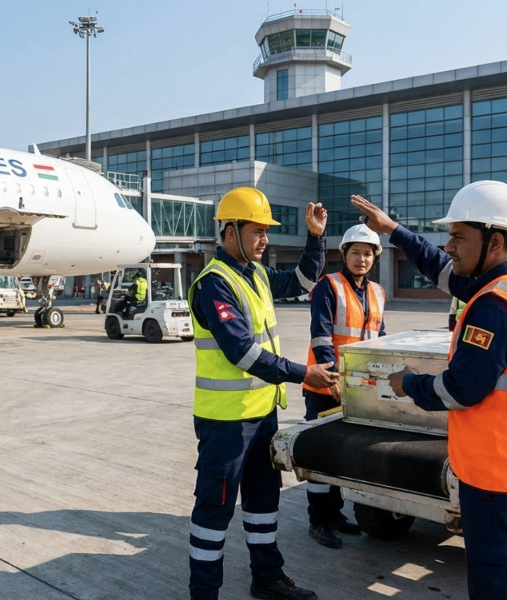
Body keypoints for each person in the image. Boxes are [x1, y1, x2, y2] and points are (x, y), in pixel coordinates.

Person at [352, 181, 507, 600]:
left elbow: (460, 389)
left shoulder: (494, 307)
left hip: (501, 481)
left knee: (503, 589)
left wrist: (408, 382)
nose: (448, 246)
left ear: (496, 240)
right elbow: (440, 267)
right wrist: (393, 229)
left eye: (458, 237)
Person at [187, 186, 339, 600]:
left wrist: (315, 236)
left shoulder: (254, 275)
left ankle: (267, 579)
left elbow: (305, 279)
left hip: (261, 416)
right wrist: (303, 373)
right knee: (214, 513)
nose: (265, 239)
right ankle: (204, 593)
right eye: (257, 231)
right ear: (230, 231)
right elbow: (243, 352)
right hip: (226, 423)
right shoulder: (214, 284)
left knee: (263, 504)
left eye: (266, 231)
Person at [302, 223, 384, 549]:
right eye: (355, 253)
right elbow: (321, 336)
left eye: (367, 253)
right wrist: (333, 376)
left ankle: (334, 514)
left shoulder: (377, 292)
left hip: (358, 389)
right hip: (326, 387)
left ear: (374, 258)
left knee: (342, 457)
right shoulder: (329, 286)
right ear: (344, 255)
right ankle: (318, 520)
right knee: (321, 456)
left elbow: (380, 340)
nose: (361, 259)